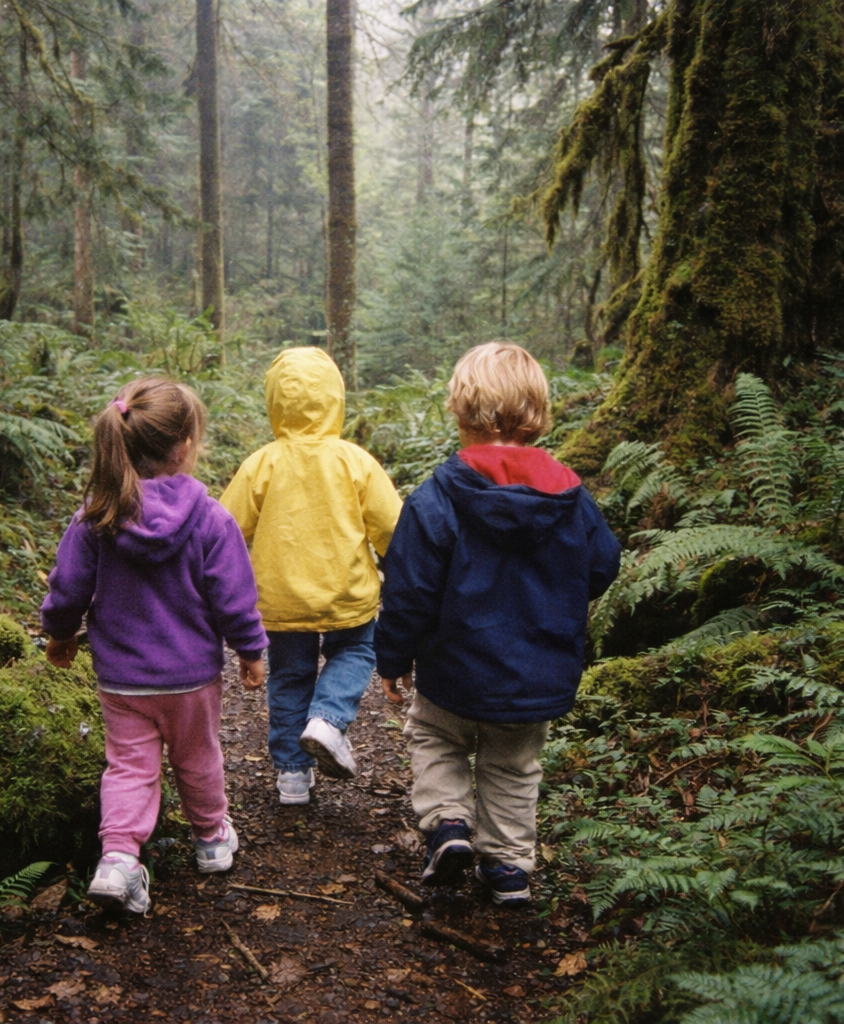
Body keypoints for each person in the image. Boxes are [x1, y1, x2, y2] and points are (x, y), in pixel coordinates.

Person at [375, 342, 621, 903]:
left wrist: (392, 658)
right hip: (535, 673)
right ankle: (509, 868)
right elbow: (603, 563)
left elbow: (408, 589)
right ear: (537, 414)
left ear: (461, 412)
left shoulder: (439, 495)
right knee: (513, 767)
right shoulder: (571, 495)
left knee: (436, 737)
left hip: (453, 668)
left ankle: (448, 826)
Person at [41, 378, 267, 915]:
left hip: (121, 678)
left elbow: (67, 586)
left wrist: (61, 633)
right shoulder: (211, 519)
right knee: (197, 756)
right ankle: (212, 839)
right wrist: (251, 651)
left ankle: (118, 858)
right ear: (185, 446)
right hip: (190, 676)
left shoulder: (96, 517)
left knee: (128, 767)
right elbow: (234, 596)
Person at [220, 347, 402, 805]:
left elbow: (224, 528)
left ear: (274, 402)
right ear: (336, 397)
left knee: (289, 676)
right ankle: (327, 719)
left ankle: (292, 777)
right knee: (359, 649)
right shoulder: (354, 460)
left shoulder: (261, 463)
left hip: (280, 601)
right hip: (347, 594)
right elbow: (393, 529)